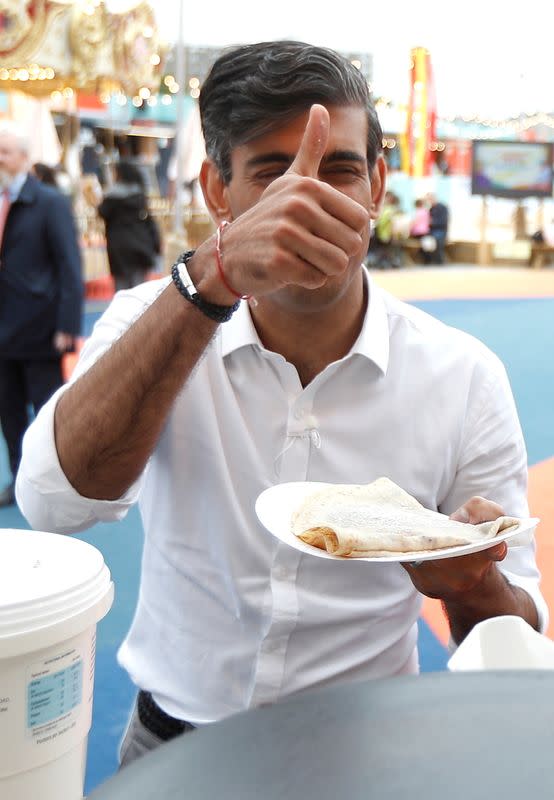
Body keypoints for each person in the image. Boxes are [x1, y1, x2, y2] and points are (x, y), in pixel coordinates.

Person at [16, 41, 546, 766]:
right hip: (173, 747)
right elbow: (56, 503)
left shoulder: (461, 377)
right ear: (216, 190)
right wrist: (210, 279)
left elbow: (512, 637)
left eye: (340, 170)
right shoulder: (153, 320)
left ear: (378, 184)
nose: (310, 201)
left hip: (369, 751)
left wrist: (472, 574)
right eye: (273, 173)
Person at [0, 124, 82, 508]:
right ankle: (18, 480)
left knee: (47, 413)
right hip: (3, 331)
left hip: (40, 326)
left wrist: (68, 324)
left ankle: (52, 487)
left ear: (24, 159)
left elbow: (69, 265)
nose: (0, 159)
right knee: (9, 412)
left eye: (5, 152)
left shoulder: (49, 202)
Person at [97, 160, 161, 291]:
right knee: (140, 291)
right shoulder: (139, 195)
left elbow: (102, 213)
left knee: (122, 291)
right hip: (140, 245)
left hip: (119, 247)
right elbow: (149, 222)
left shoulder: (111, 196)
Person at [425, 192, 449, 264]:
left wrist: (432, 222)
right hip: (432, 230)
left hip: (440, 230)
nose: (429, 200)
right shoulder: (431, 209)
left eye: (430, 198)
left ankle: (439, 262)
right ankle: (430, 261)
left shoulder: (442, 207)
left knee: (437, 243)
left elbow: (444, 220)